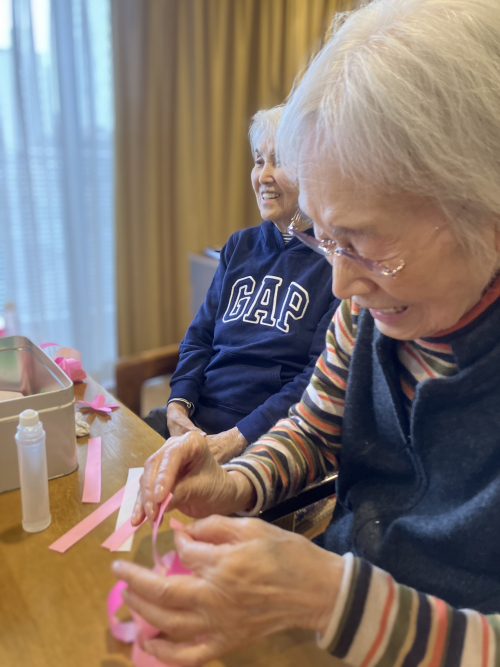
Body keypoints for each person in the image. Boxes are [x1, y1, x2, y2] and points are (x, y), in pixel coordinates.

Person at [115, 1, 500, 665]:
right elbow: (316, 431)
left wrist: (333, 599)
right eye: (325, 240)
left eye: (364, 241)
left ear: (485, 208)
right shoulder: (368, 312)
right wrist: (233, 481)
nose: (342, 285)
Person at [145, 106, 338, 464]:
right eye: (258, 161)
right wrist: (178, 405)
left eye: (278, 161)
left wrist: (239, 437)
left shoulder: (336, 261)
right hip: (198, 416)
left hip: (263, 436)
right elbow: (200, 336)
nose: (263, 176)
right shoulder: (240, 246)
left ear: (313, 171)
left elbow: (318, 377)